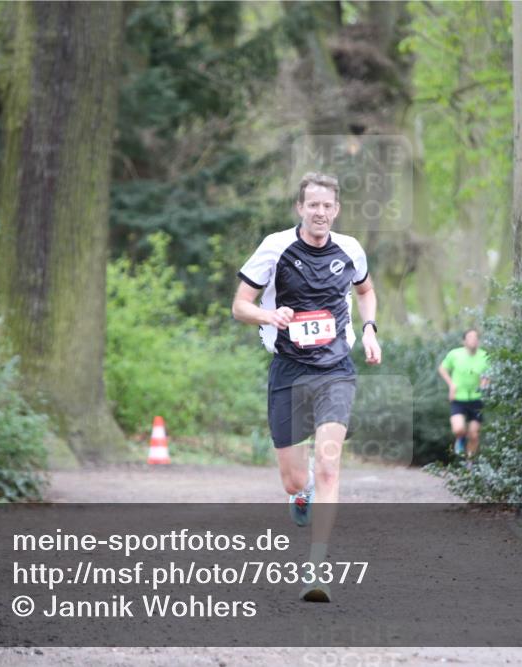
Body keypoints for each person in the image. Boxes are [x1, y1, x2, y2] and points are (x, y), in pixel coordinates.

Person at [231, 172, 381, 602]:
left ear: (336, 210)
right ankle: (303, 492)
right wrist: (269, 316)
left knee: (330, 466)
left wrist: (369, 329)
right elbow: (240, 305)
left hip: (335, 369)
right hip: (289, 370)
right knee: (295, 480)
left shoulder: (350, 249)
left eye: (327, 206)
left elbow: (366, 290)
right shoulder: (275, 248)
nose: (320, 212)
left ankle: (316, 568)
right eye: (312, 205)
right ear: (300, 208)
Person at [438, 329, 491, 459]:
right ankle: (461, 438)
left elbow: (488, 374)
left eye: (475, 337)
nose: (473, 340)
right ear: (464, 341)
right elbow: (442, 368)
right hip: (458, 398)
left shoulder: (484, 356)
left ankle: (469, 464)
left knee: (474, 434)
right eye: (470, 337)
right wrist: (451, 385)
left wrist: (485, 384)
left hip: (476, 399)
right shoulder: (455, 354)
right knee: (458, 429)